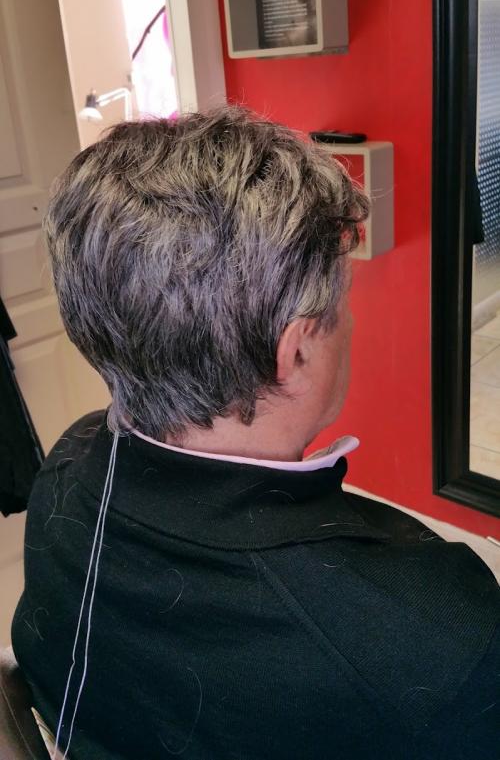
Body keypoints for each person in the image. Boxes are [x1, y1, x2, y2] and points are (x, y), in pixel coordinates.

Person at [11, 107, 500, 760]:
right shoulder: (432, 632)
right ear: (294, 351)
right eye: (343, 300)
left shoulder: (66, 464)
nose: (351, 322)